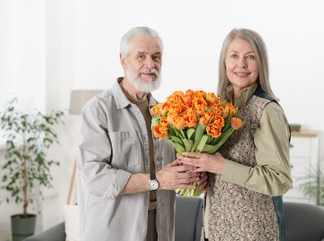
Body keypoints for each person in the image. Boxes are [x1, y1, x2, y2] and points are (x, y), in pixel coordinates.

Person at [76, 26, 207, 241]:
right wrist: (156, 181)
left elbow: (173, 170)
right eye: (141, 56)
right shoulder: (98, 110)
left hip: (159, 226)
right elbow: (94, 177)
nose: (150, 64)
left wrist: (193, 177)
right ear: (123, 60)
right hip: (114, 230)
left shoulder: (166, 113)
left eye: (156, 57)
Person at [179, 28, 292, 240]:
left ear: (261, 64)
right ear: (224, 62)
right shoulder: (218, 109)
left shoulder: (267, 111)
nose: (241, 64)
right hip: (215, 231)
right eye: (234, 56)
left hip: (253, 234)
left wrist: (219, 166)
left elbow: (279, 180)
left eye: (250, 57)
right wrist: (205, 175)